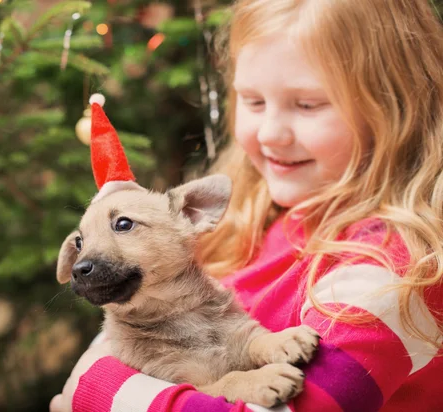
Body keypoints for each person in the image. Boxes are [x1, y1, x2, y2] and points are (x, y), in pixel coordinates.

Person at [50, 0, 443, 410]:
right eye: (254, 101)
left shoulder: (395, 270)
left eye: (307, 104)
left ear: (395, 107)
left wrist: (95, 385)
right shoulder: (256, 218)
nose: (271, 133)